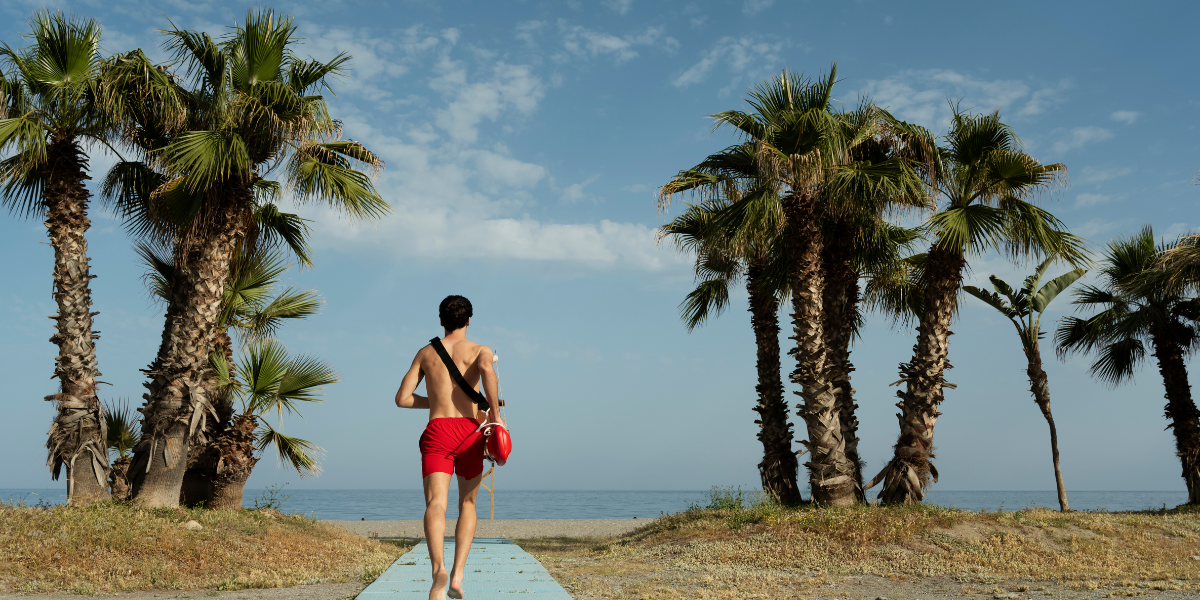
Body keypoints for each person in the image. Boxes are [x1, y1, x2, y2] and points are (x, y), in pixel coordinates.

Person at [395, 295, 503, 600]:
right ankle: (457, 576)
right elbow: (488, 371)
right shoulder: (481, 350)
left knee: (436, 505)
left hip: (438, 431)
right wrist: (494, 416)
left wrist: (438, 402)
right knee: (467, 505)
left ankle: (438, 569)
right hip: (470, 433)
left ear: (441, 320)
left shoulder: (426, 353)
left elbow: (402, 398)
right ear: (469, 320)